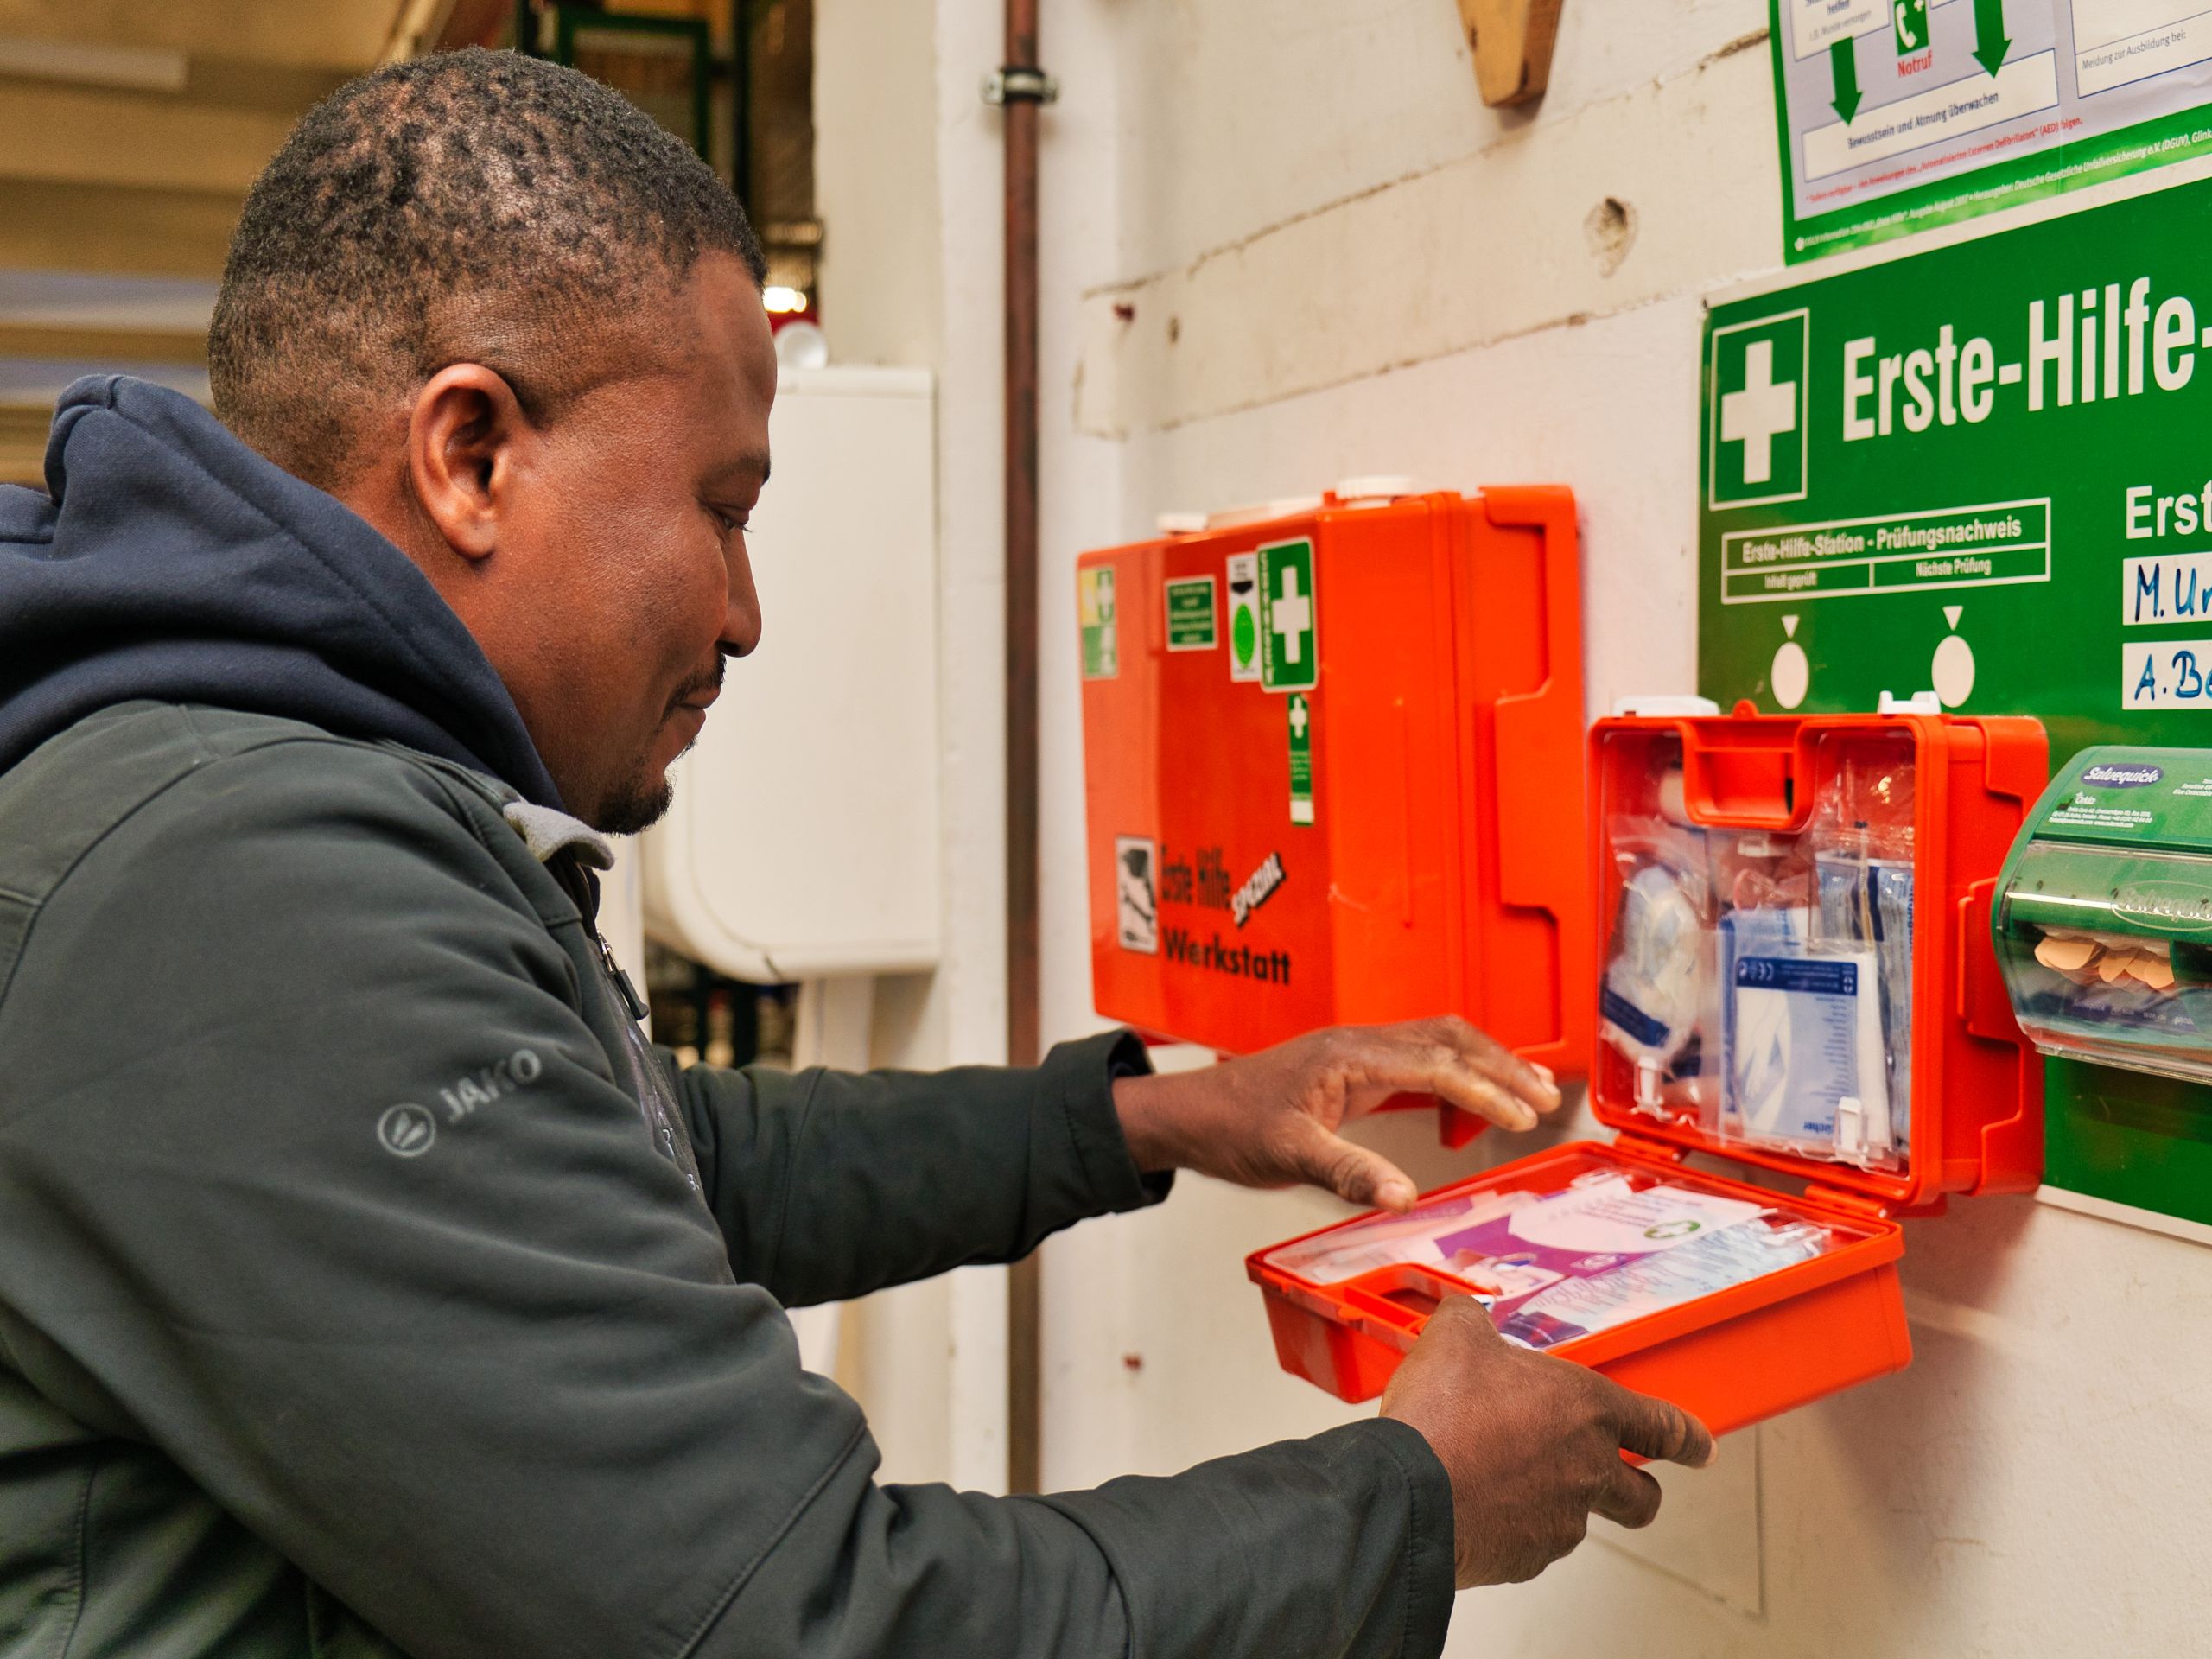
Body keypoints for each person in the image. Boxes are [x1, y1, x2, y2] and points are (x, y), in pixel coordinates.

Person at [0, 49, 1711, 1659]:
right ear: (469, 457)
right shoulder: (243, 887)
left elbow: (645, 1162)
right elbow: (807, 1621)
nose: (743, 614)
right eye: (721, 508)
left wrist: (1140, 1117)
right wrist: (1406, 1505)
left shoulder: (258, 794)